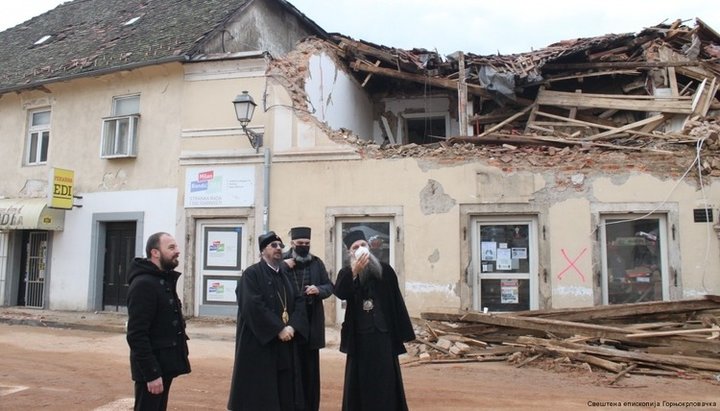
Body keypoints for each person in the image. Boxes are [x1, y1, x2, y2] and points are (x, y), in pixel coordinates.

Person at [334, 229, 415, 411]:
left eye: (363, 245)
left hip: (383, 333)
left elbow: (396, 301)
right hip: (360, 336)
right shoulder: (346, 272)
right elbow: (340, 292)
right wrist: (355, 272)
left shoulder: (385, 270)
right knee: (360, 379)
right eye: (356, 247)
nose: (361, 248)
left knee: (386, 379)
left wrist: (403, 332)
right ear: (350, 252)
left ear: (369, 247)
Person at [228, 231, 309, 411]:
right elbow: (252, 305)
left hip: (285, 342)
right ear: (263, 251)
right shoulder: (251, 274)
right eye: (273, 246)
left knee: (283, 390)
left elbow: (299, 302)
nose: (278, 249)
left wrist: (293, 327)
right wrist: (278, 329)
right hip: (259, 344)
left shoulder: (285, 276)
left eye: (281, 246)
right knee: (259, 393)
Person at [126, 232, 191, 411]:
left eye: (176, 247)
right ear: (155, 252)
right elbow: (136, 334)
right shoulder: (144, 284)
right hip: (152, 369)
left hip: (164, 365)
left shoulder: (162, 279)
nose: (177, 251)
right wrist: (151, 374)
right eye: (171, 247)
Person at [283, 226, 334, 411]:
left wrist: (318, 290)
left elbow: (329, 286)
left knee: (309, 370)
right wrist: (282, 266)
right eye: (300, 244)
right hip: (288, 323)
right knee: (289, 368)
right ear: (292, 244)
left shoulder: (316, 263)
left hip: (311, 323)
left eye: (307, 244)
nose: (303, 246)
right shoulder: (282, 261)